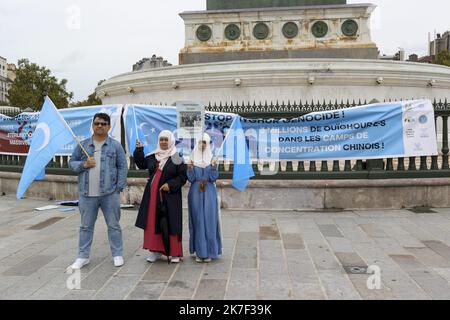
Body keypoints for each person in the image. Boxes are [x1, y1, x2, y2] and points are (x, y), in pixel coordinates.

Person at [69, 113, 128, 269]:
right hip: (87, 194)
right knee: (85, 226)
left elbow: (122, 166)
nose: (100, 126)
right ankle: (83, 256)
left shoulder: (115, 146)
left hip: (110, 194)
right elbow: (71, 163)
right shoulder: (83, 145)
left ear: (109, 126)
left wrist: (119, 187)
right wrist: (84, 165)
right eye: (97, 123)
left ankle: (117, 254)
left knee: (114, 225)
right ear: (92, 125)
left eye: (103, 123)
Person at [134, 130, 187, 263]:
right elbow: (141, 164)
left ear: (170, 140)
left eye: (166, 139)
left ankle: (174, 252)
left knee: (171, 221)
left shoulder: (176, 157)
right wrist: (139, 150)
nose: (163, 142)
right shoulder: (153, 155)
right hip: (152, 196)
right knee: (153, 220)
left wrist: (170, 185)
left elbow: (182, 177)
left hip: (170, 196)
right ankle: (155, 250)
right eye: (161, 139)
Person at [187, 133, 222, 263]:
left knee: (209, 220)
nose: (202, 145)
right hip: (195, 192)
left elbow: (213, 178)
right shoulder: (192, 157)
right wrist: (190, 168)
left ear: (208, 144)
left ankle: (210, 251)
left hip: (209, 192)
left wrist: (213, 166)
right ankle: (199, 251)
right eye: (200, 142)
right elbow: (190, 179)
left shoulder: (212, 158)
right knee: (197, 219)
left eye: (204, 142)